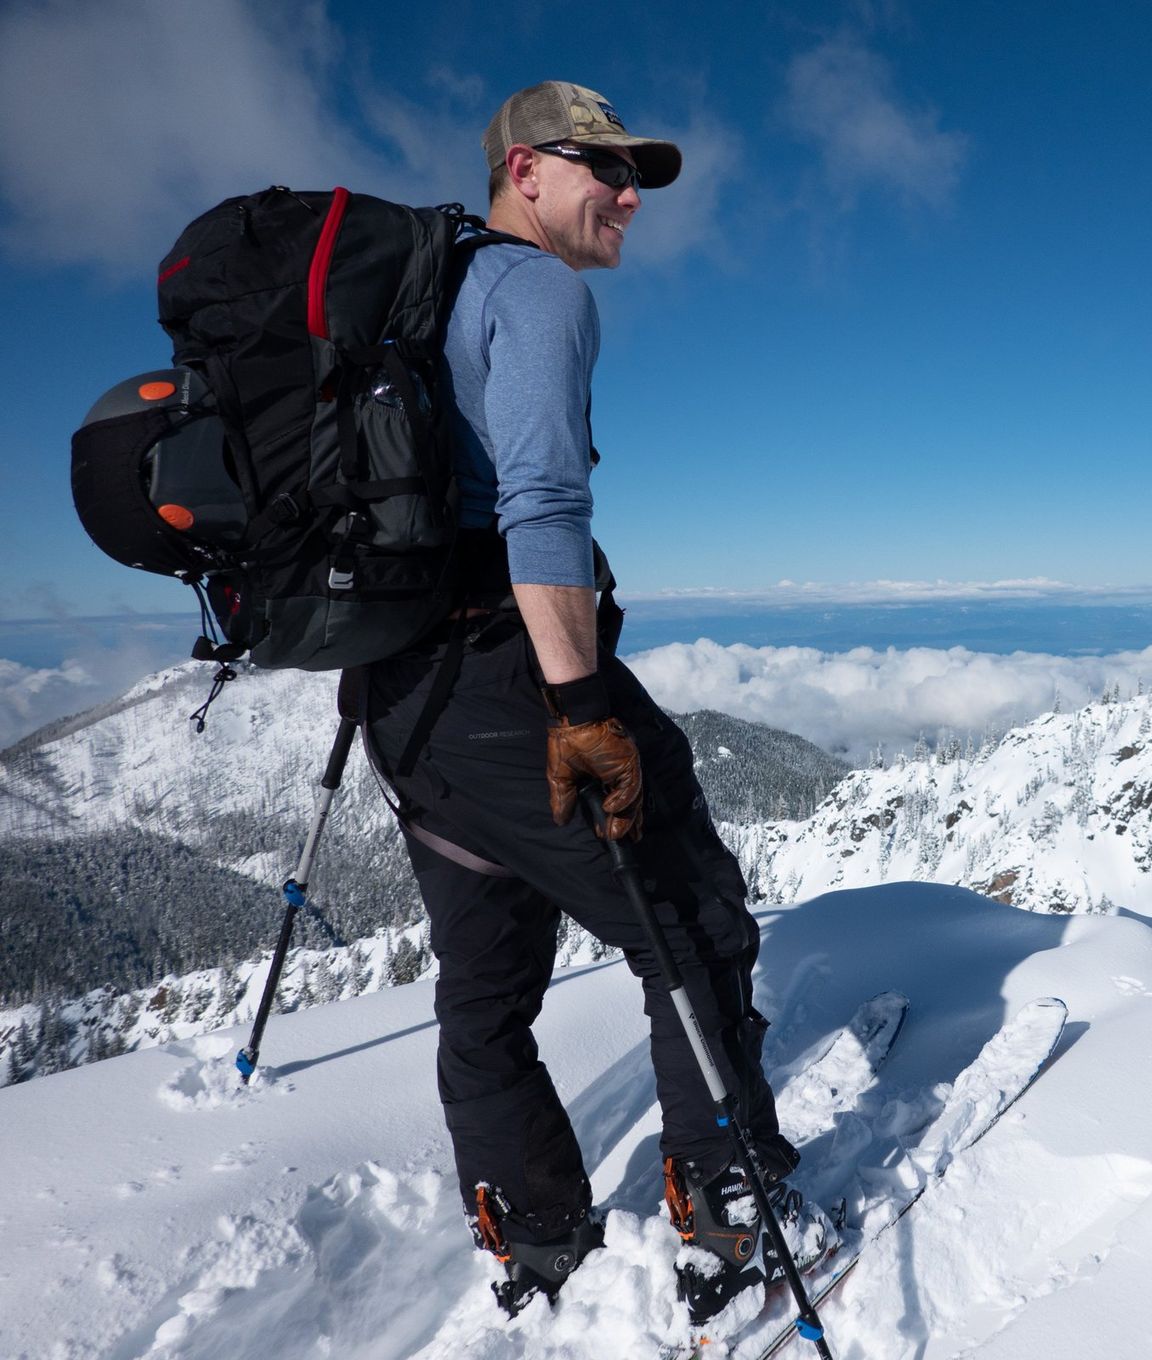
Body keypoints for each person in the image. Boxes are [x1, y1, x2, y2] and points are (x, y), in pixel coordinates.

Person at [355, 80, 826, 1319]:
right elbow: (542, 504)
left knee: (487, 975)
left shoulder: (421, 300)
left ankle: (533, 1231)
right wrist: (578, 705)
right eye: (601, 167)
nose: (628, 194)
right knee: (694, 919)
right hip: (508, 675)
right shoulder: (534, 289)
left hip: (401, 704)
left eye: (636, 173)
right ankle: (733, 1215)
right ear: (523, 171)